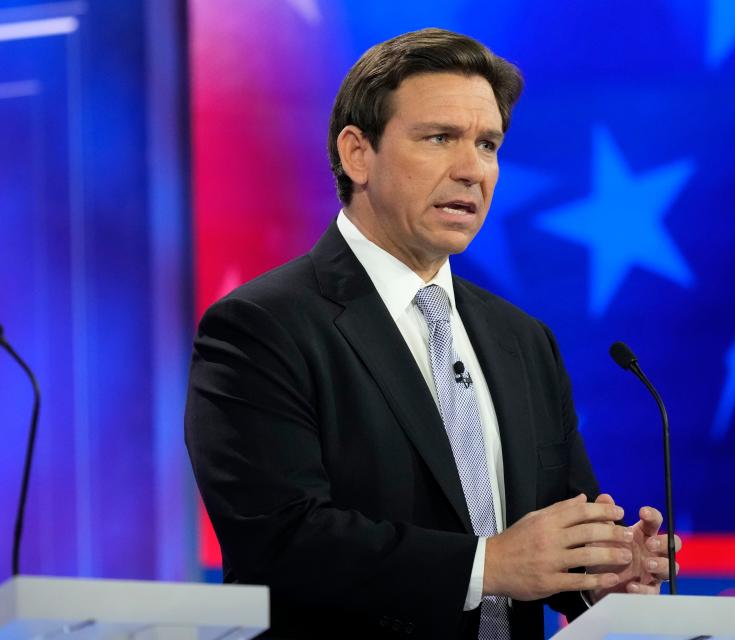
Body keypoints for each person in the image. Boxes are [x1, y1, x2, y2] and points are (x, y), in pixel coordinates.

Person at [185, 28, 680, 639]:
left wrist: (599, 581)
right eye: (440, 138)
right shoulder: (263, 326)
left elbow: (551, 536)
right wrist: (488, 565)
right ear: (357, 154)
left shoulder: (524, 341)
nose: (473, 170)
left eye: (489, 144)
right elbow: (281, 538)